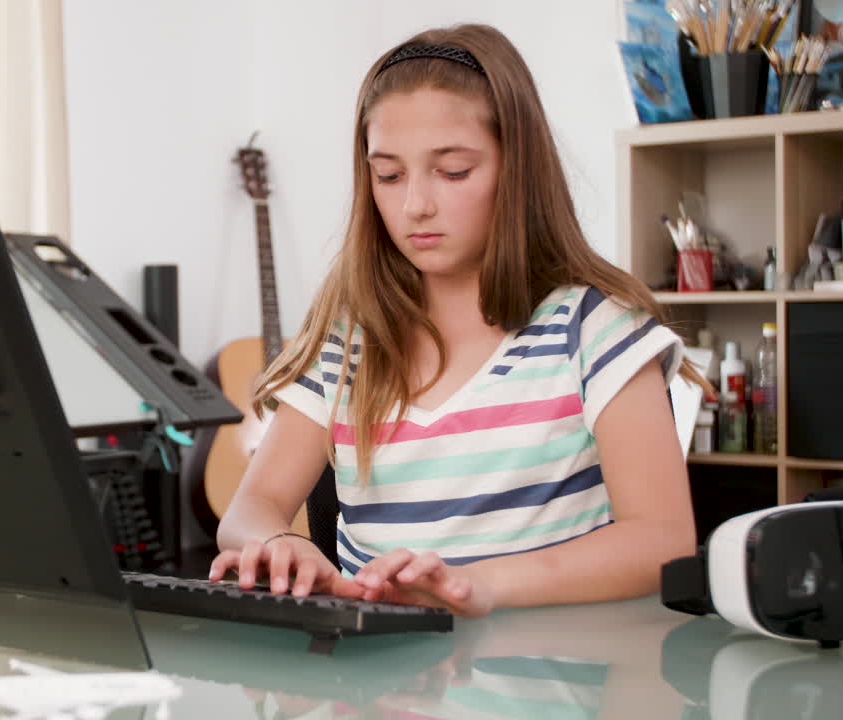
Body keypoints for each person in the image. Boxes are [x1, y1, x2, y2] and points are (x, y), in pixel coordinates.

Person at [208, 23, 701, 618]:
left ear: (516, 169)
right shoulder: (348, 342)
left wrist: (476, 587)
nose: (415, 203)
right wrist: (281, 544)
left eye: (454, 171)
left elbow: (662, 540)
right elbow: (249, 507)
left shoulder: (595, 331)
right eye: (388, 175)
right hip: (383, 694)